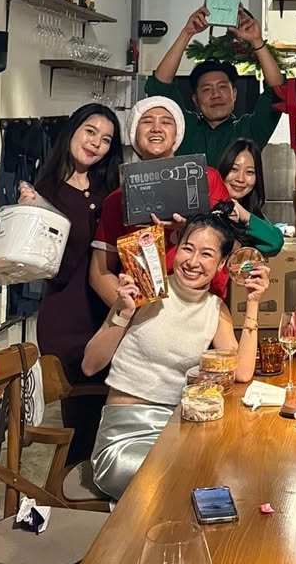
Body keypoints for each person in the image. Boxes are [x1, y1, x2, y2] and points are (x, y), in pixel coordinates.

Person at [86, 210, 267, 500]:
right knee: (187, 482)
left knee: (235, 472)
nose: (193, 262)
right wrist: (123, 313)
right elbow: (90, 365)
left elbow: (242, 372)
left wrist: (253, 302)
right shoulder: (144, 289)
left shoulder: (214, 308)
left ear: (221, 263)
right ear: (176, 248)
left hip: (178, 431)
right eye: (187, 248)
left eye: (206, 254)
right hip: (126, 437)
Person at [21, 104, 122, 463]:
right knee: (81, 422)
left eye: (106, 139)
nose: (96, 143)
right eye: (90, 132)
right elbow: (46, 268)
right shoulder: (44, 192)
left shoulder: (110, 189)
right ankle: (70, 490)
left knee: (112, 416)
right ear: (72, 131)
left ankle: (104, 485)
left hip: (108, 312)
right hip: (67, 318)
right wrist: (32, 215)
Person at [90, 97, 229, 310]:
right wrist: (133, 314)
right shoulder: (118, 199)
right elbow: (99, 273)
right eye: (147, 121)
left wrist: (189, 228)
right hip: (147, 316)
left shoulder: (205, 178)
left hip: (204, 308)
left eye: (166, 121)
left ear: (177, 134)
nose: (156, 128)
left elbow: (232, 245)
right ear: (134, 133)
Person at [144, 3, 284, 163]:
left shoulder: (249, 130)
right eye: (206, 89)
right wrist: (187, 33)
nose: (216, 95)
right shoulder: (183, 128)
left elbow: (277, 90)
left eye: (222, 86)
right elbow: (160, 86)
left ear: (234, 94)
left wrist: (256, 41)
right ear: (195, 100)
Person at [216, 137, 284, 257]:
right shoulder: (206, 208)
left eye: (250, 172)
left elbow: (275, 242)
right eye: (234, 169)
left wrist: (242, 213)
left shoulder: (250, 214)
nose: (240, 179)